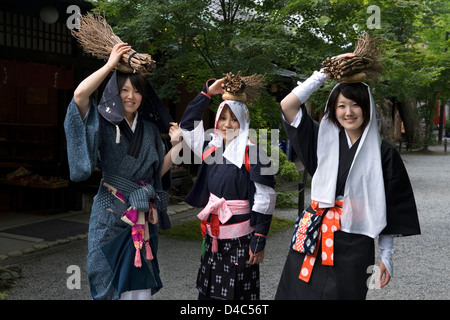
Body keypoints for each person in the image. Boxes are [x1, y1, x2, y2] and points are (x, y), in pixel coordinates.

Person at [275, 53, 421, 300]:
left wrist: (386, 256)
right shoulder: (321, 141)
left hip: (355, 241)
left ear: (367, 108)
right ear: (333, 109)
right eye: (341, 105)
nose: (348, 112)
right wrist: (324, 72)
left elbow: (391, 208)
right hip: (313, 235)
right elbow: (287, 105)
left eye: (355, 105)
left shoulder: (384, 153)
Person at [64, 43, 177, 300]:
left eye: (137, 91)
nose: (131, 96)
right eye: (124, 90)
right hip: (110, 212)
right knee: (103, 272)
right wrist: (110, 65)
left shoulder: (148, 129)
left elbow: (155, 173)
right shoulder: (103, 122)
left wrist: (178, 146)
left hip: (141, 216)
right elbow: (80, 95)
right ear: (114, 92)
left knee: (139, 281)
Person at [171, 74, 276, 300]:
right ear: (216, 120)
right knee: (208, 293)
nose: (228, 125)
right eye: (223, 118)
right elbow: (188, 124)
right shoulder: (210, 149)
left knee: (237, 295)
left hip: (241, 240)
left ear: (244, 121)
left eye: (234, 119)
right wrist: (207, 93)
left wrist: (259, 236)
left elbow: (266, 198)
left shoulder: (256, 153)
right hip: (213, 238)